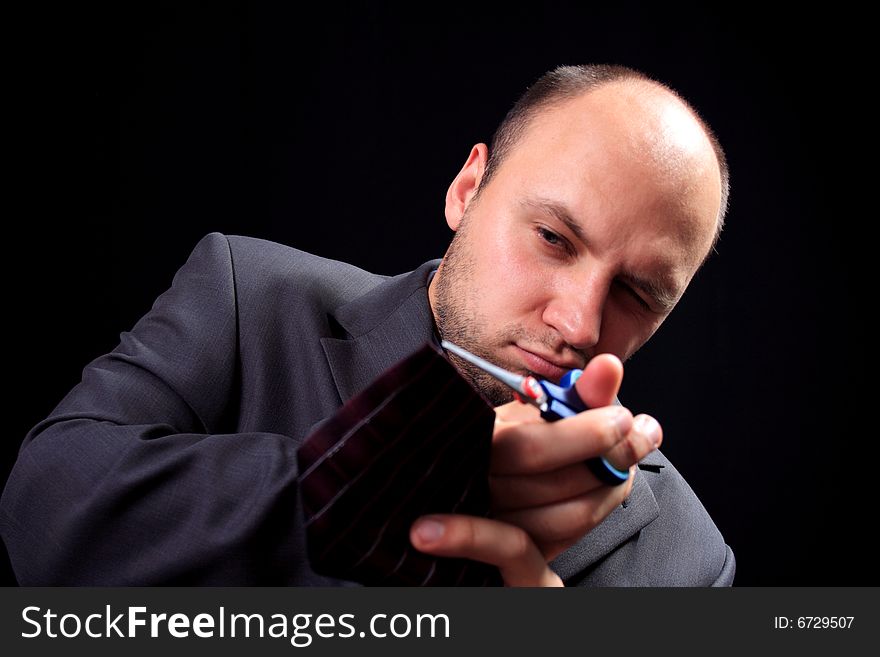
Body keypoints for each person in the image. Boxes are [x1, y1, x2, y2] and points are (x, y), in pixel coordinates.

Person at [0, 64, 735, 586]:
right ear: (467, 188)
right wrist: (372, 490)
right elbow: (47, 508)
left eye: (638, 293)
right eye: (552, 238)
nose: (578, 324)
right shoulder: (247, 297)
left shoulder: (690, 558)